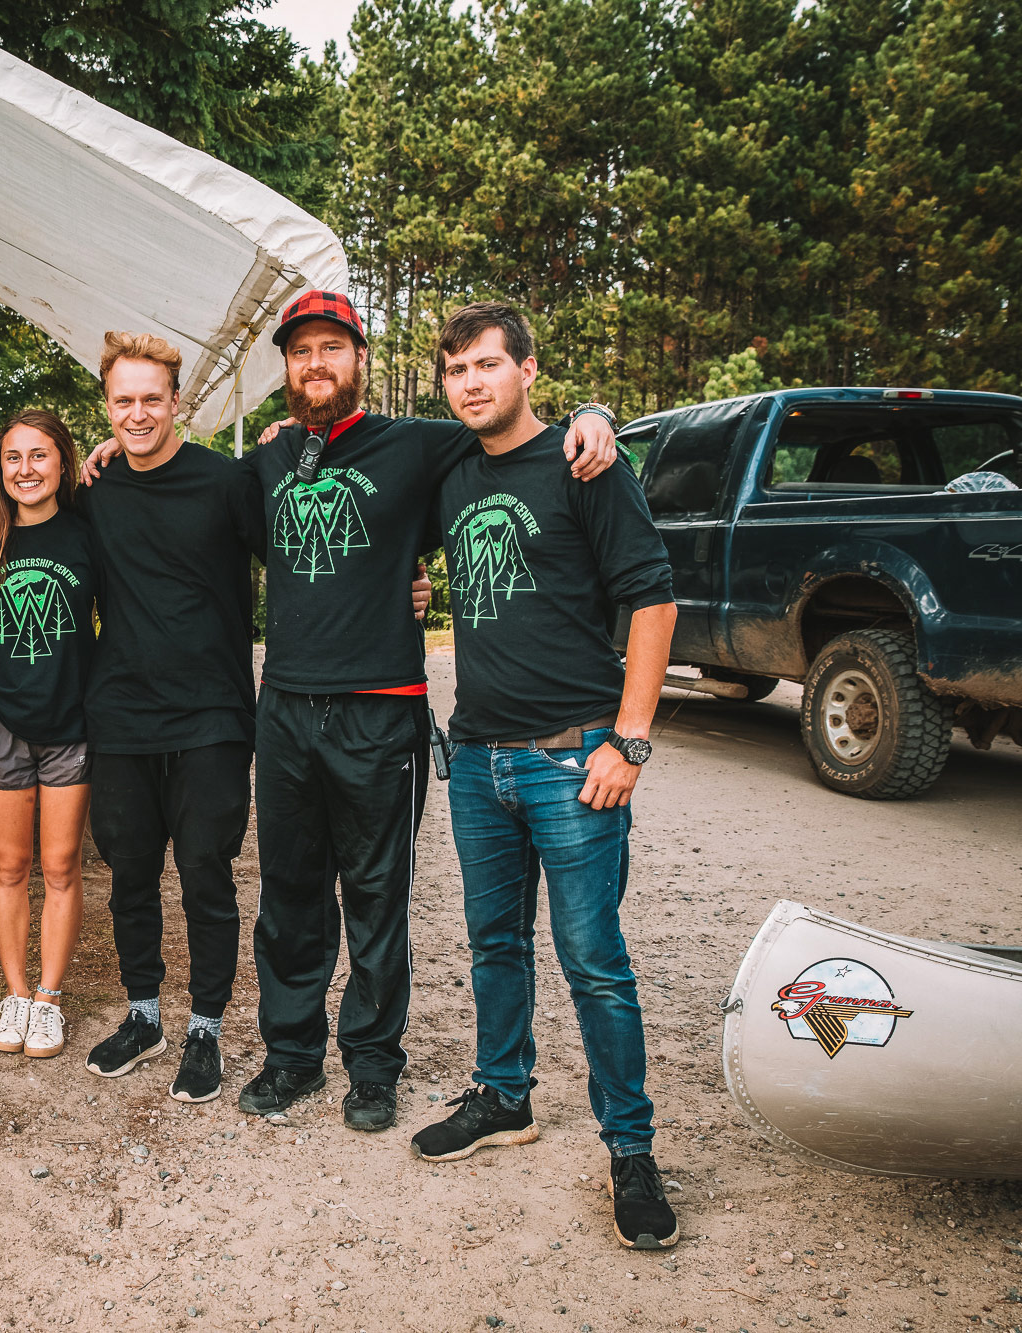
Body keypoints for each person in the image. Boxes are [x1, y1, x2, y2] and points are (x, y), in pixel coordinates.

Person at [234, 291, 620, 1133]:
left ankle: (372, 1065)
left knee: (376, 896)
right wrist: (111, 448)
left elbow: (522, 434)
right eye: (301, 352)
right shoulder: (267, 460)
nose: (316, 364)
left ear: (360, 359)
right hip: (288, 710)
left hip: (383, 713)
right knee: (290, 894)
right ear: (288, 369)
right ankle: (291, 1055)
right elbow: (184, 497)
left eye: (331, 347)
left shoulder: (418, 444)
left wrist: (594, 413)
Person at [408, 301, 679, 1252]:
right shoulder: (448, 469)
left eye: (488, 364)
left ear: (529, 368)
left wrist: (629, 741)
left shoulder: (585, 462)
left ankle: (632, 1151)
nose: (472, 382)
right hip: (479, 756)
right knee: (493, 943)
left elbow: (652, 597)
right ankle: (503, 1095)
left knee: (594, 961)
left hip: (576, 756)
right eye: (456, 370)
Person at [78, 332, 264, 1104]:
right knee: (128, 876)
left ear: (178, 401)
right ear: (108, 405)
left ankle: (206, 1029)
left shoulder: (226, 483)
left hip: (212, 715)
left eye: (152, 397)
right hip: (120, 714)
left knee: (204, 875)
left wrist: (409, 585)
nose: (138, 412)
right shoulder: (94, 488)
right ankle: (146, 1015)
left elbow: (305, 552)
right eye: (124, 400)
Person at [0, 410, 96, 1061]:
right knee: (10, 864)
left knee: (61, 864)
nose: (26, 469)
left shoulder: (87, 534)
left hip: (71, 721)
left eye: (39, 456)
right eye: (14, 457)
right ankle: (15, 994)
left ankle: (49, 998)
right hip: (3, 722)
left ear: (62, 462)